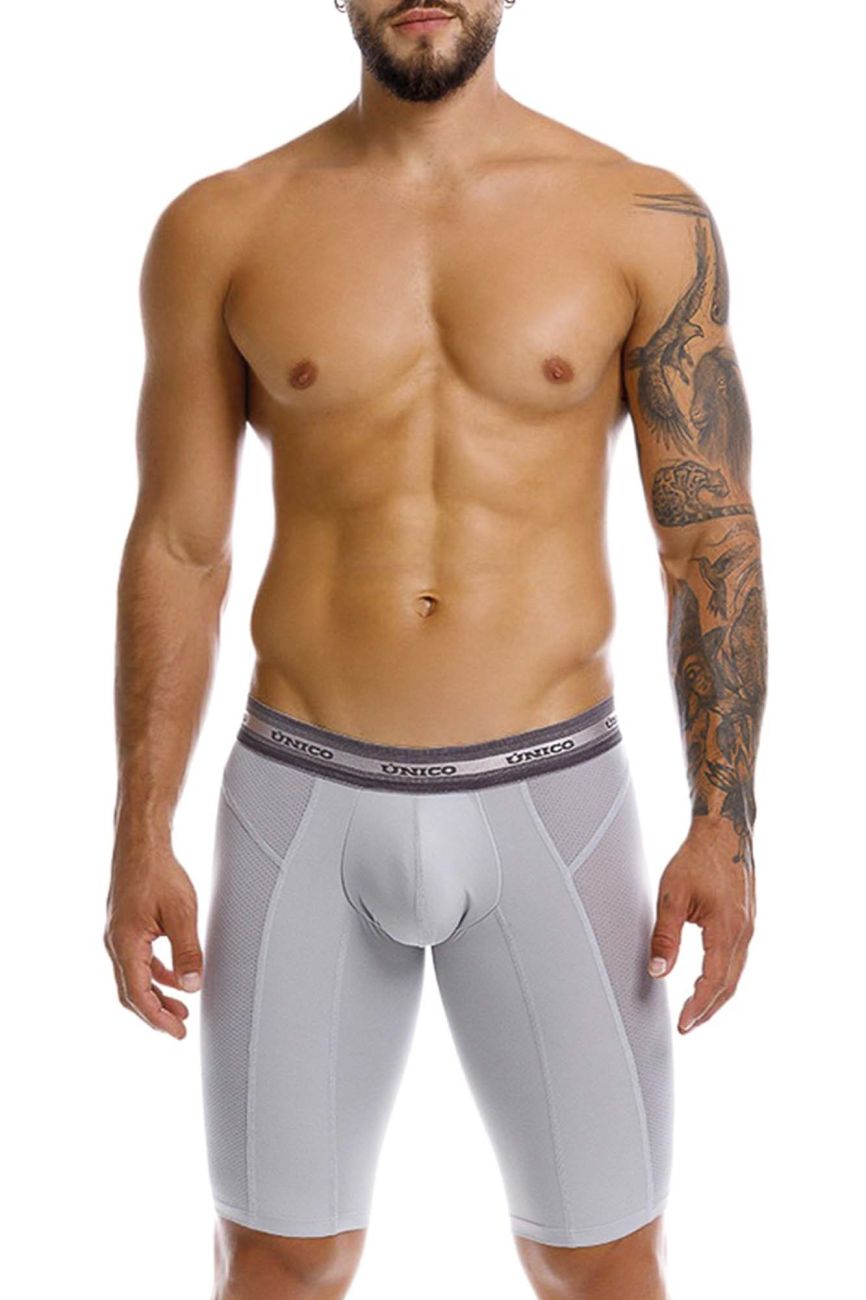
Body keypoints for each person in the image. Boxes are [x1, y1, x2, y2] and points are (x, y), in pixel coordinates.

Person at [104, 2, 768, 1296]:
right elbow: (180, 545)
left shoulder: (641, 219)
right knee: (278, 1261)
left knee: (603, 1261)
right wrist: (141, 832)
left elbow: (707, 542)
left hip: (553, 798)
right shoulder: (222, 226)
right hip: (300, 796)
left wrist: (725, 826)